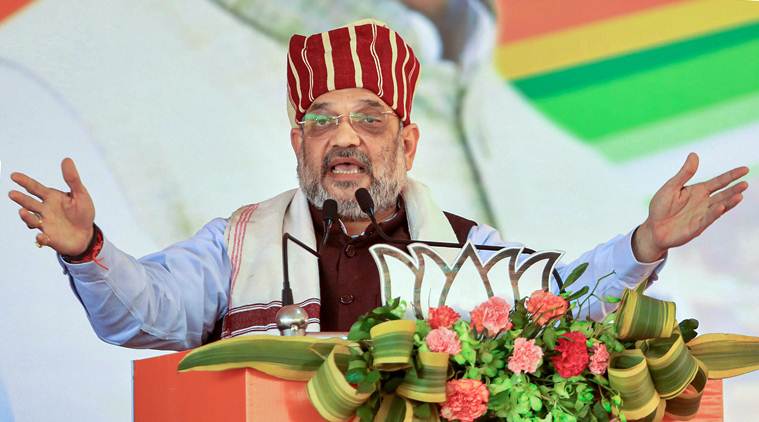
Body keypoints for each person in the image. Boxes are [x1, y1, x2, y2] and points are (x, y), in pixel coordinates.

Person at [8, 20, 748, 350]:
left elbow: (562, 301)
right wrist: (89, 249)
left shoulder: (466, 250)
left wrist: (645, 243)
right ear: (298, 144)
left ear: (407, 143)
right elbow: (146, 313)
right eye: (322, 121)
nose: (345, 139)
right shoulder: (238, 244)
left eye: (369, 119)